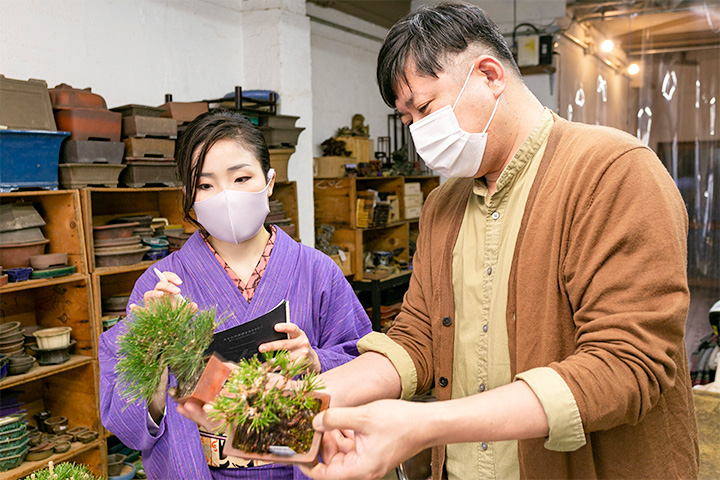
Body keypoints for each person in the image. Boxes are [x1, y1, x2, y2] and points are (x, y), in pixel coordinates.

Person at [295, 2, 699, 479]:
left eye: (424, 108)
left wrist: (423, 424)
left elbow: (624, 364)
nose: (418, 134)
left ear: (489, 76)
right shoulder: (443, 204)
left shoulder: (613, 171)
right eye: (408, 121)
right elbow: (419, 337)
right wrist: (304, 397)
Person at [99, 109, 372, 480]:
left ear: (269, 181)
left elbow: (367, 367)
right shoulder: (159, 284)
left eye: (242, 178)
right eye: (206, 185)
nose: (225, 196)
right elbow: (127, 426)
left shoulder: (317, 271)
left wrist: (316, 362)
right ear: (188, 196)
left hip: (302, 466)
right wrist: (153, 355)